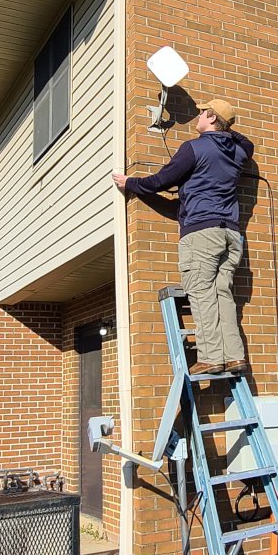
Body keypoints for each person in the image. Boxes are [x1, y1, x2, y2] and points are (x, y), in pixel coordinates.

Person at [113, 99, 254, 375]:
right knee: (222, 294)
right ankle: (235, 356)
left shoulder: (194, 148)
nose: (198, 116)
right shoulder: (238, 153)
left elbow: (160, 181)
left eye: (204, 112)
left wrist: (130, 183)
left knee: (200, 293)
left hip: (202, 232)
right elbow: (247, 143)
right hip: (231, 234)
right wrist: (227, 129)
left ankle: (212, 357)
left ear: (211, 117)